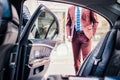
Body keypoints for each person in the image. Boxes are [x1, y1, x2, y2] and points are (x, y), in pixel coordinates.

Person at [66, 5, 98, 74]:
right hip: (74, 36)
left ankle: (86, 77)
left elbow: (95, 22)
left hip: (85, 36)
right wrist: (68, 35)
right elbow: (68, 24)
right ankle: (78, 76)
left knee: (87, 59)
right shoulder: (70, 8)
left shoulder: (89, 7)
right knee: (76, 61)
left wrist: (91, 33)